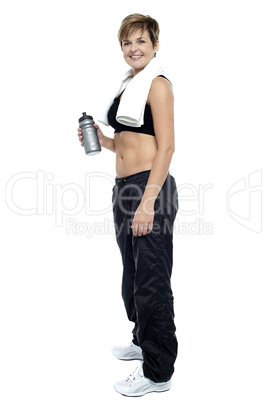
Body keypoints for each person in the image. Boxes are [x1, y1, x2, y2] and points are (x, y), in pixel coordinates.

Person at [77, 13, 178, 397]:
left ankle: (158, 370)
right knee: (133, 275)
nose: (133, 49)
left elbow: (166, 147)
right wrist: (103, 140)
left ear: (155, 45)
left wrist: (149, 201)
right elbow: (130, 143)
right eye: (127, 43)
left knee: (151, 281)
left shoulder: (158, 85)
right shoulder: (129, 87)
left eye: (141, 41)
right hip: (124, 190)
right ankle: (142, 340)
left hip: (148, 189)